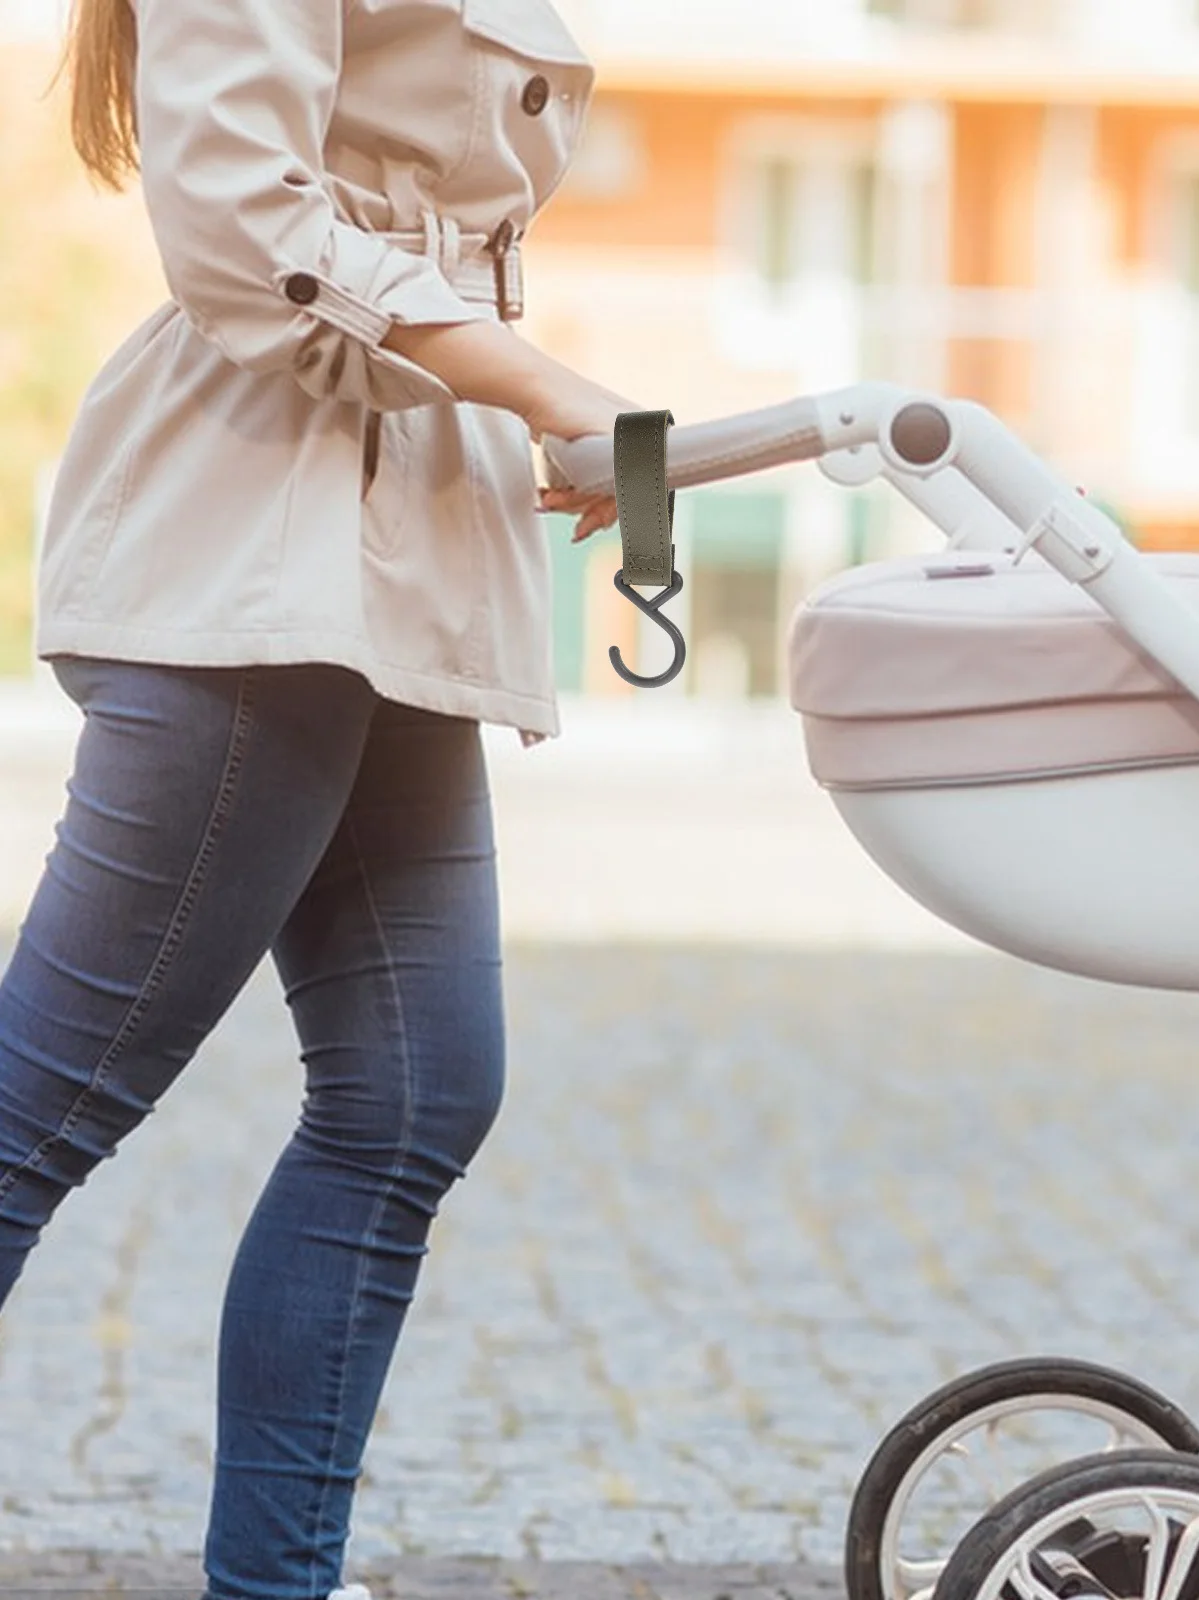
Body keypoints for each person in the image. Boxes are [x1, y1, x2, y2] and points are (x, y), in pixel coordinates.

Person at [0, 0, 638, 1595]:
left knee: (417, 1094)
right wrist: (544, 386)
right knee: (35, 1111)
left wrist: (520, 403)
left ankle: (272, 1585)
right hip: (263, 535)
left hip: (393, 543)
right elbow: (242, 223)